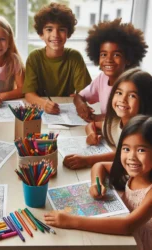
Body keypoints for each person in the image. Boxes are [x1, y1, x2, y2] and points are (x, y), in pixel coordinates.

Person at [45, 114, 152, 250]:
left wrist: (71, 221)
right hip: (124, 236)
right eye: (126, 149)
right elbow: (100, 165)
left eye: (141, 150)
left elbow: (127, 226)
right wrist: (96, 183)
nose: (131, 157)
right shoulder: (136, 171)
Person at [63, 68, 152, 169]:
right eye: (119, 93)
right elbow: (92, 125)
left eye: (132, 96)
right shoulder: (115, 122)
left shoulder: (144, 131)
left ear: (146, 100)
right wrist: (92, 134)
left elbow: (121, 156)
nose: (122, 100)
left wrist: (87, 160)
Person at [23, 2, 91, 114]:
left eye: (61, 29)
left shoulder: (75, 57)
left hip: (66, 111)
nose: (55, 35)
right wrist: (43, 103)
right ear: (41, 34)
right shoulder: (34, 58)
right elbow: (29, 94)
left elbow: (85, 93)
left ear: (68, 33)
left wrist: (80, 100)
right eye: (49, 29)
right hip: (41, 110)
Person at [74, 18, 147, 122]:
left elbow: (125, 117)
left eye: (116, 55)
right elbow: (79, 96)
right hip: (105, 132)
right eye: (103, 54)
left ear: (128, 59)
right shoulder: (102, 78)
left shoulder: (132, 84)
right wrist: (81, 105)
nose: (108, 60)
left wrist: (95, 117)